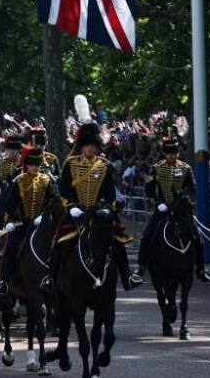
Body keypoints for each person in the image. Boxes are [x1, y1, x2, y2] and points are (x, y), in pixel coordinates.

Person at [42, 122, 142, 292]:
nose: (91, 148)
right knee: (59, 241)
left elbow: (109, 191)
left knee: (118, 240)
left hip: (99, 212)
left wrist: (106, 206)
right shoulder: (71, 164)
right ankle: (50, 278)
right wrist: (71, 206)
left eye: (94, 145)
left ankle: (127, 277)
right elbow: (64, 189)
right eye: (87, 145)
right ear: (81, 146)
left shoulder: (104, 165)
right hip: (77, 212)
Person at [138, 136, 210, 282]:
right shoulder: (156, 168)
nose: (171, 155)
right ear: (165, 153)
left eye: (174, 152)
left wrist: (185, 198)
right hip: (163, 208)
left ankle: (201, 269)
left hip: (181, 210)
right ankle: (140, 266)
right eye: (169, 153)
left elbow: (192, 188)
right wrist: (157, 203)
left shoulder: (186, 168)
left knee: (198, 237)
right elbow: (149, 189)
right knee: (147, 235)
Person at [0, 146, 55, 296]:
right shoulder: (19, 181)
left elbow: (53, 201)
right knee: (10, 247)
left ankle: (52, 278)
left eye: (37, 164)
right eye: (32, 164)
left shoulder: (46, 181)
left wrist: (44, 216)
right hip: (22, 223)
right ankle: (4, 281)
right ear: (26, 164)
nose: (35, 167)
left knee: (57, 246)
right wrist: (9, 221)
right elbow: (10, 204)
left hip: (42, 224)